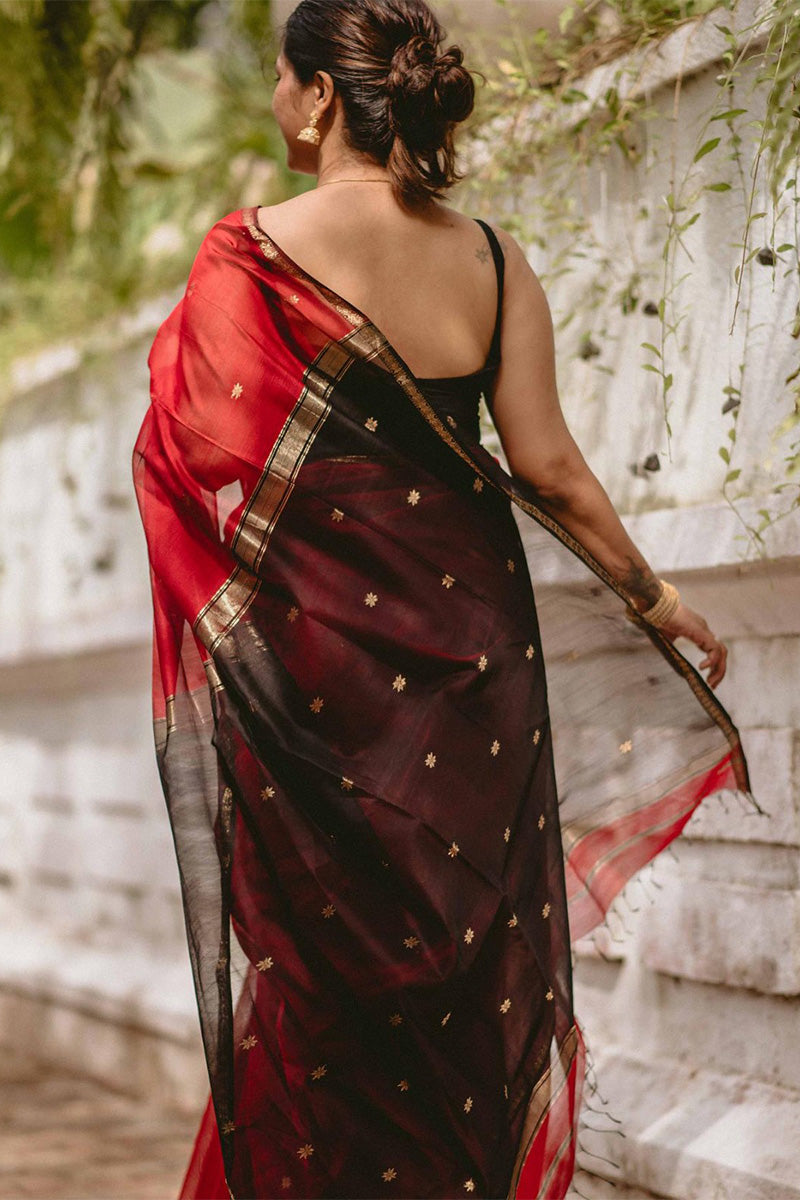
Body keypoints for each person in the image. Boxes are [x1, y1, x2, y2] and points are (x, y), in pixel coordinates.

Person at [131, 1, 757, 1197]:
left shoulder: (251, 252)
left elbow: (192, 452)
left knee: (323, 974)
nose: (272, 101)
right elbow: (551, 467)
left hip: (318, 671)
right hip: (474, 657)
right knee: (463, 959)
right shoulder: (490, 255)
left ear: (320, 96)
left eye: (278, 79)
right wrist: (653, 596)